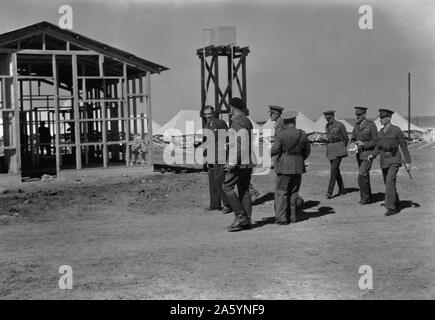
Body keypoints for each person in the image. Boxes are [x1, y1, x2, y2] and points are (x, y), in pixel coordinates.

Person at [368, 108, 411, 216]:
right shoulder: (380, 132)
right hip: (384, 160)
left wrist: (408, 162)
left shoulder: (396, 130)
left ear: (389, 118)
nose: (380, 120)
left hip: (394, 159)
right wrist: (372, 155)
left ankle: (391, 207)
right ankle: (395, 200)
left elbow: (403, 146)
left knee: (389, 182)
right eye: (380, 118)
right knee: (388, 183)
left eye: (382, 118)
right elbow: (378, 147)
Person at [271, 111, 310, 224]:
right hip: (298, 166)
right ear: (294, 120)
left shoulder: (280, 134)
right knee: (294, 192)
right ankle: (293, 217)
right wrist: (298, 159)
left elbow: (275, 150)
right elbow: (307, 151)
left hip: (284, 166)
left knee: (281, 192)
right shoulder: (302, 134)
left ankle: (282, 218)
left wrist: (263, 155)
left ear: (284, 121)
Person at [223, 97, 254, 231]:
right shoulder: (247, 120)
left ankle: (240, 216)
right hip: (247, 161)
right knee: (244, 188)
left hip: (240, 162)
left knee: (227, 187)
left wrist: (232, 162)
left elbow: (241, 144)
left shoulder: (237, 121)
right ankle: (247, 219)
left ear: (232, 108)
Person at [202, 105, 231, 212]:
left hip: (219, 155)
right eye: (206, 114)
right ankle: (214, 204)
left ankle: (228, 204)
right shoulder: (206, 125)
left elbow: (227, 138)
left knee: (220, 181)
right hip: (210, 156)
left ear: (213, 113)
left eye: (209, 114)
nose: (208, 116)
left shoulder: (220, 123)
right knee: (212, 182)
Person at [351, 106, 378, 205]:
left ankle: (365, 198)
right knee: (365, 176)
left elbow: (376, 141)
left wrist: (364, 144)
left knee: (362, 174)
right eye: (356, 115)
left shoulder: (371, 125)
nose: (357, 116)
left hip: (368, 153)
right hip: (359, 154)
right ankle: (367, 197)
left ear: (364, 114)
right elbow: (352, 138)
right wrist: (353, 143)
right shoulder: (356, 125)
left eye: (359, 115)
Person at [323, 110, 349, 198]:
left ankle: (329, 192)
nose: (327, 120)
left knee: (333, 170)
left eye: (329, 118)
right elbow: (329, 138)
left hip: (338, 149)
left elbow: (346, 138)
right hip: (330, 150)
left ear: (333, 116)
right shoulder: (326, 126)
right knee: (336, 171)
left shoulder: (340, 125)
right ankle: (342, 189)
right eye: (326, 118)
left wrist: (342, 147)